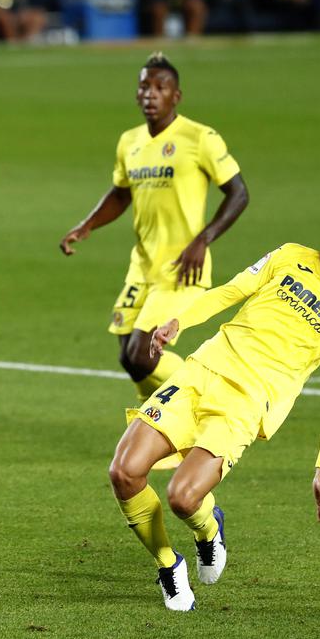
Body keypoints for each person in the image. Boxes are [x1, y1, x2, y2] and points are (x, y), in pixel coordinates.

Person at [107, 188, 320, 611]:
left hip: (247, 400)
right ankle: (169, 566)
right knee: (124, 472)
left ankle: (207, 529)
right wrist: (180, 321)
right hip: (202, 371)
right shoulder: (290, 255)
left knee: (183, 497)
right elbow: (230, 291)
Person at [60, 52, 249, 471]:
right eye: (145, 86)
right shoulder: (130, 141)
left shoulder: (200, 138)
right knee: (128, 357)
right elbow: (121, 193)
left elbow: (238, 192)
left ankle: (204, 403)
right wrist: (87, 225)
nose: (151, 94)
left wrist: (204, 238)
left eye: (160, 87)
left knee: (144, 353)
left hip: (183, 268)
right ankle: (163, 428)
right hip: (142, 266)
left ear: (176, 95)